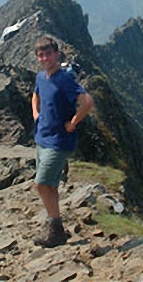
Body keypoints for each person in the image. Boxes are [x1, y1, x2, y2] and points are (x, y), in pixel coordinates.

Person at [31, 36, 94, 247]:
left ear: (57, 54)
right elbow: (35, 96)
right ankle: (56, 229)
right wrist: (36, 115)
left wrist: (73, 122)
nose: (45, 58)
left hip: (59, 141)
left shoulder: (64, 79)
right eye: (41, 55)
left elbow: (87, 101)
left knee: (41, 184)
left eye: (48, 53)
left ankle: (54, 227)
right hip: (42, 138)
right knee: (49, 185)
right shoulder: (41, 77)